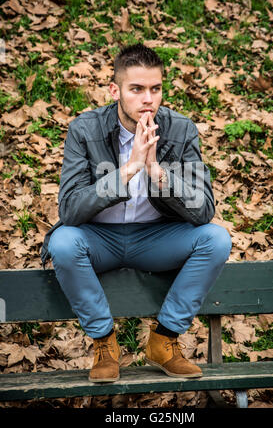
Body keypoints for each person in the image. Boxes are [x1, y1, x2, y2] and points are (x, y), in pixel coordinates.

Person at [41, 43, 232, 383]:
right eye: (137, 89)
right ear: (115, 90)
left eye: (155, 89)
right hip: (98, 239)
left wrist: (156, 170)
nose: (148, 99)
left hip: (156, 239)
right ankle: (104, 343)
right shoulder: (84, 130)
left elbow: (203, 210)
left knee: (215, 239)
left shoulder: (180, 129)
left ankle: (165, 340)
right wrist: (128, 170)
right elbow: (70, 210)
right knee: (64, 241)